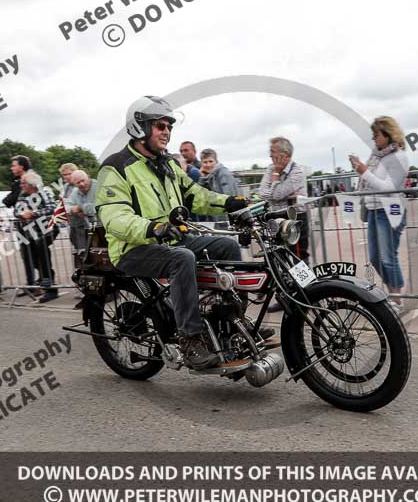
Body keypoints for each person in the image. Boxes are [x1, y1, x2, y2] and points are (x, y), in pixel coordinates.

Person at [96, 95, 254, 370]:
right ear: (139, 127)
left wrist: (227, 203)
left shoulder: (167, 164)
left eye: (169, 126)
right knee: (182, 259)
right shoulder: (116, 166)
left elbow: (194, 194)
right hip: (132, 248)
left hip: (171, 239)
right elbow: (114, 216)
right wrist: (152, 227)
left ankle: (231, 322)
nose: (166, 131)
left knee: (227, 248)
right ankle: (191, 339)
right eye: (160, 125)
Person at [349, 116, 410, 311]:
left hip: (390, 210)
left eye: (377, 135)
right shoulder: (377, 156)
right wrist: (363, 171)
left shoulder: (399, 157)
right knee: (376, 257)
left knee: (388, 257)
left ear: (388, 134)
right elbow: (371, 181)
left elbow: (388, 188)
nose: (374, 139)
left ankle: (397, 299)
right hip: (375, 210)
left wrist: (364, 172)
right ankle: (393, 293)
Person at [258, 136, 309, 313]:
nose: (270, 156)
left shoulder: (297, 171)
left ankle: (307, 294)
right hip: (276, 219)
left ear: (284, 154)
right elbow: (262, 193)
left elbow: (277, 193)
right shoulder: (271, 169)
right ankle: (287, 296)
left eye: (273, 152)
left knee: (298, 258)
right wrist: (276, 178)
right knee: (279, 258)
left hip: (296, 218)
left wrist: (276, 178)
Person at [15, 171, 59, 303]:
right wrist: (22, 215)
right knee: (33, 259)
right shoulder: (22, 195)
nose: (21, 185)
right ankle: (45, 282)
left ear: (31, 184)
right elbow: (16, 210)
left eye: (23, 183)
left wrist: (34, 213)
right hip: (31, 233)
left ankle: (51, 289)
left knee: (43, 258)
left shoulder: (44, 192)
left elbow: (52, 207)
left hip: (46, 231)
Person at [2, 155, 37, 293]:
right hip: (23, 220)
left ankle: (41, 283)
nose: (12, 168)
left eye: (14, 165)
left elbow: (13, 198)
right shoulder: (17, 181)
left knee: (35, 253)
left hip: (31, 222)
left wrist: (7, 200)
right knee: (27, 254)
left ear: (21, 166)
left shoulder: (29, 179)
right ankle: (32, 283)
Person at [198, 148, 241, 222]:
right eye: (205, 162)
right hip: (218, 216)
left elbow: (230, 198)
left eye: (211, 161)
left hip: (227, 218)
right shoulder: (210, 175)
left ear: (216, 161)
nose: (208, 165)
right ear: (201, 164)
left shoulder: (223, 174)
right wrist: (202, 178)